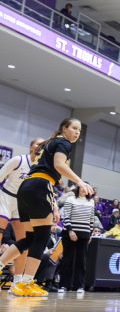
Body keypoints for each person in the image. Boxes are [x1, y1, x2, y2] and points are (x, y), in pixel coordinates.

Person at [0, 118, 93, 297]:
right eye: (74, 128)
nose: (77, 133)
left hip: (26, 188)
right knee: (42, 235)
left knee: (30, 237)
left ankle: (3, 266)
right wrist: (79, 181)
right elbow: (59, 165)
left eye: (79, 130)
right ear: (64, 128)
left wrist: (54, 207)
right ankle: (25, 283)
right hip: (40, 186)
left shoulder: (49, 143)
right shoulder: (63, 143)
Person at [0, 137, 44, 285]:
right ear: (31, 146)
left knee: (23, 242)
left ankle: (17, 281)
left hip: (22, 203)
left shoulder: (40, 169)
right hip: (5, 197)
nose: (40, 147)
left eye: (43, 145)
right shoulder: (18, 160)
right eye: (38, 144)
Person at [59, 184, 94, 293]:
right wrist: (70, 230)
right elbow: (66, 216)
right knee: (67, 260)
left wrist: (90, 234)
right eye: (82, 187)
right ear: (78, 189)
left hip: (84, 234)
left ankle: (79, 286)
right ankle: (64, 285)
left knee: (81, 261)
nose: (83, 190)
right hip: (69, 233)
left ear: (89, 191)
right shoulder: (70, 199)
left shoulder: (91, 202)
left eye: (86, 188)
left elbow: (91, 220)